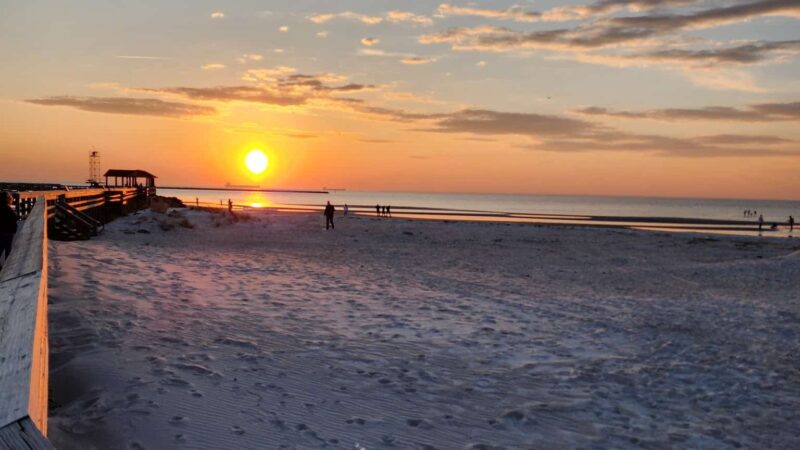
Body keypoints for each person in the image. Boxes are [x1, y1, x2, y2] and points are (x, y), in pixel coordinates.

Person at [1, 192, 18, 268]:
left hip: (5, 231)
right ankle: (6, 269)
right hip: (7, 232)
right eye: (10, 198)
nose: (11, 200)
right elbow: (13, 217)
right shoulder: (7, 208)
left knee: (5, 249)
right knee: (7, 251)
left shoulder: (4, 207)